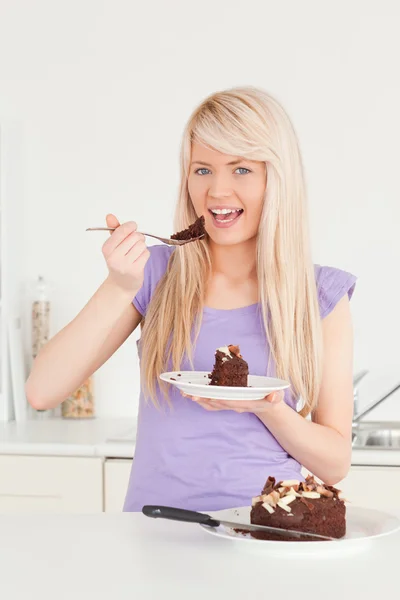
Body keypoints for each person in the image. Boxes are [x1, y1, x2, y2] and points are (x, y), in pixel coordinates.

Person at [26, 87, 357, 512]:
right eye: (202, 170)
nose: (217, 190)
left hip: (265, 535)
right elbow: (42, 390)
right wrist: (118, 286)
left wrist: (268, 409)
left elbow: (335, 463)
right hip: (156, 532)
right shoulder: (155, 275)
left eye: (240, 170)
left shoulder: (320, 295)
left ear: (277, 178)